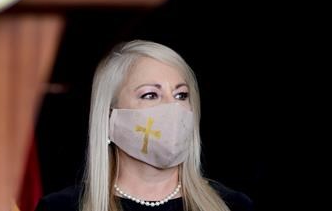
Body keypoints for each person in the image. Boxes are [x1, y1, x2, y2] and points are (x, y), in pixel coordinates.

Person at [35, 40, 253, 211]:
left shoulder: (233, 205)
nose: (173, 107)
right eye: (150, 95)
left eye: (181, 95)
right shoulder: (61, 207)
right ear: (109, 116)